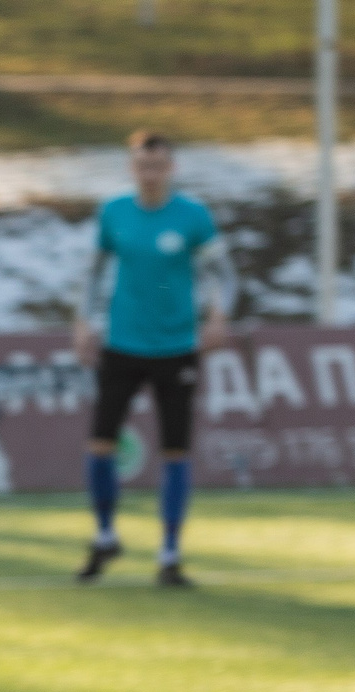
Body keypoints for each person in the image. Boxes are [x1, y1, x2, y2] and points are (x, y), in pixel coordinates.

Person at [73, 131, 237, 588]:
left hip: (176, 347)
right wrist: (84, 322)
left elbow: (223, 274)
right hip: (122, 345)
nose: (150, 174)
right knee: (100, 444)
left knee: (175, 450)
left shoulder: (192, 216)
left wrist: (219, 315)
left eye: (159, 166)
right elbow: (93, 272)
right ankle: (105, 535)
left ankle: (170, 551)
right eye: (143, 166)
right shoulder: (115, 213)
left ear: (172, 169)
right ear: (132, 168)